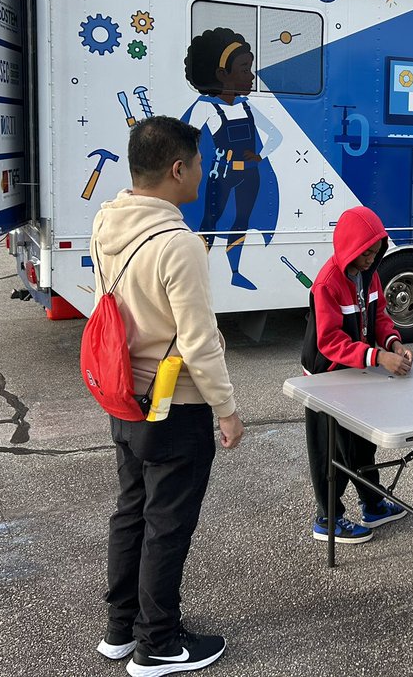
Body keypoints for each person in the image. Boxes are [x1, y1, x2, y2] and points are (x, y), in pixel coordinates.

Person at [91, 116, 244, 676]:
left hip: (123, 396)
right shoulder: (179, 243)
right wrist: (226, 410)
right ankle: (158, 645)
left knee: (131, 511)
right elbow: (200, 344)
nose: (204, 173)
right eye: (199, 163)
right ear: (178, 169)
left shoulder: (108, 219)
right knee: (167, 526)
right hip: (173, 405)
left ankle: (120, 629)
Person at [301, 206, 413, 543]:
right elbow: (329, 342)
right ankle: (327, 518)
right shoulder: (326, 284)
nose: (370, 259)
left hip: (359, 372)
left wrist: (392, 343)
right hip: (325, 379)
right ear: (349, 247)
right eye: (365, 252)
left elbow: (379, 319)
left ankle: (372, 503)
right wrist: (376, 356)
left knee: (363, 444)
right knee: (329, 451)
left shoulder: (373, 275)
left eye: (376, 252)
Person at [181, 27, 282, 290]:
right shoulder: (206, 106)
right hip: (223, 173)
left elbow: (276, 136)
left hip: (250, 174)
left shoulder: (247, 106)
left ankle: (235, 272)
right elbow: (185, 139)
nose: (251, 77)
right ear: (222, 74)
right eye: (245, 69)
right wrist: (201, 159)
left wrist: (260, 155)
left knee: (242, 222)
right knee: (210, 221)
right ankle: (196, 273)